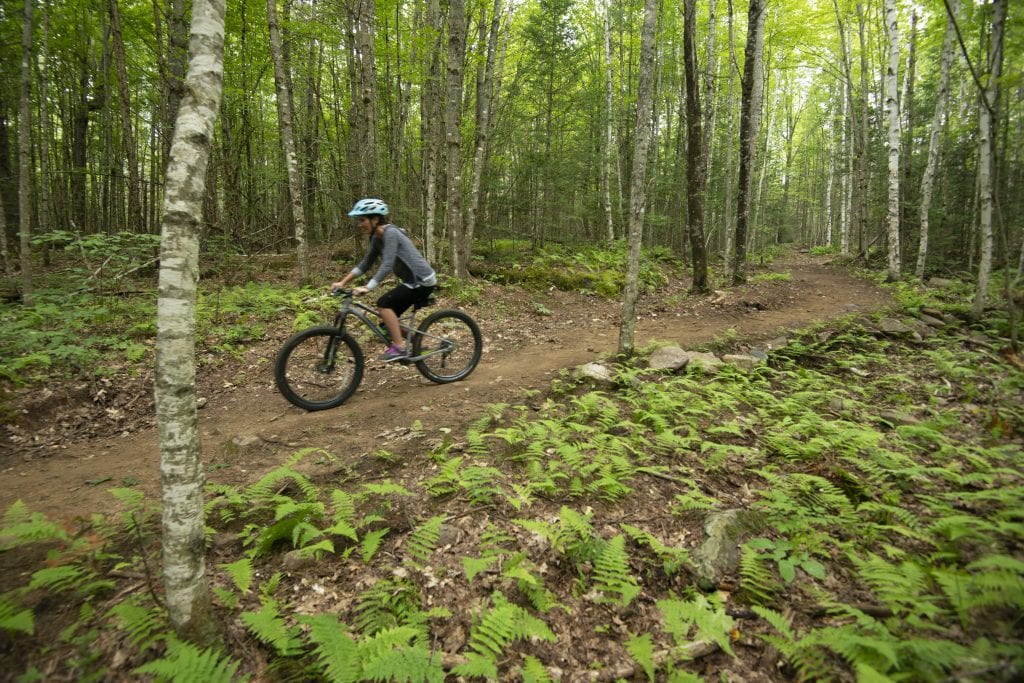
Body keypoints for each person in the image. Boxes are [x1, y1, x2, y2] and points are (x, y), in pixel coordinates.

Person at [331, 198, 438, 361]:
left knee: (383, 303)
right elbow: (365, 263)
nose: (359, 224)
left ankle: (400, 348)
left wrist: (368, 287)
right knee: (386, 322)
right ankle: (417, 342)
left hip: (421, 280)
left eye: (362, 220)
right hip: (411, 282)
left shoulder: (391, 233)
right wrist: (343, 282)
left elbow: (387, 263)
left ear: (375, 219)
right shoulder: (376, 238)